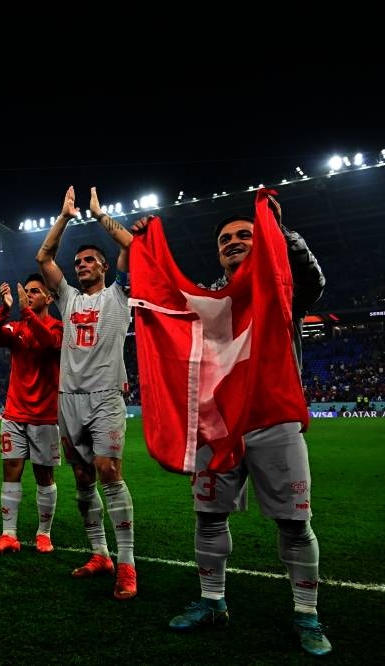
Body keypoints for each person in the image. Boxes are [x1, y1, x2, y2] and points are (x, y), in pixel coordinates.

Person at [137, 192, 331, 656]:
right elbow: (162, 303)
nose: (234, 242)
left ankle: (307, 613)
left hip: (273, 419)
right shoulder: (209, 301)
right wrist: (143, 249)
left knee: (293, 523)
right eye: (225, 238)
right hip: (218, 424)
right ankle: (212, 601)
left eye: (245, 234)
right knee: (208, 515)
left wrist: (280, 233)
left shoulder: (279, 285)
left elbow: (312, 280)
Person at [35, 185, 138, 600]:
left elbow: (130, 243)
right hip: (68, 398)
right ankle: (100, 554)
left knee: (109, 472)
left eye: (89, 260)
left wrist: (97, 215)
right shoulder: (67, 298)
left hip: (106, 396)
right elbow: (44, 257)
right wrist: (64, 217)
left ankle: (127, 564)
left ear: (105, 267)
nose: (80, 265)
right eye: (77, 262)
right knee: (81, 476)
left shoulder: (120, 294)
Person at [0, 276, 63, 554]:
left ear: (49, 298)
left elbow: (50, 343)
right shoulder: (15, 327)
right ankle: (9, 535)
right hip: (14, 413)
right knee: (11, 471)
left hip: (45, 415)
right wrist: (4, 308)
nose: (28, 296)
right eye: (26, 292)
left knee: (44, 475)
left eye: (35, 292)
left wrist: (26, 311)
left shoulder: (57, 327)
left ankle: (44, 534)